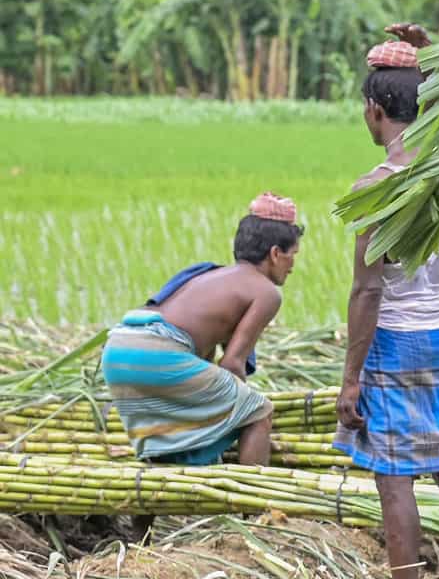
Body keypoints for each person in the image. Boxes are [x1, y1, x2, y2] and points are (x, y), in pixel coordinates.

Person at [334, 24, 439, 579]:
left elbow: (367, 291)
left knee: (393, 479)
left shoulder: (379, 186)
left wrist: (351, 379)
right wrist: (437, 50)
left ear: (375, 110)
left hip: (394, 340)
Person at [101, 193, 301, 474]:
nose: (293, 265)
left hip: (119, 349)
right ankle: (256, 514)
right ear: (275, 254)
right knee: (259, 412)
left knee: (166, 435)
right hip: (158, 354)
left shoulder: (210, 275)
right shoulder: (266, 292)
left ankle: (143, 517)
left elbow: (204, 360)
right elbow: (232, 363)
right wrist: (242, 409)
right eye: (293, 255)